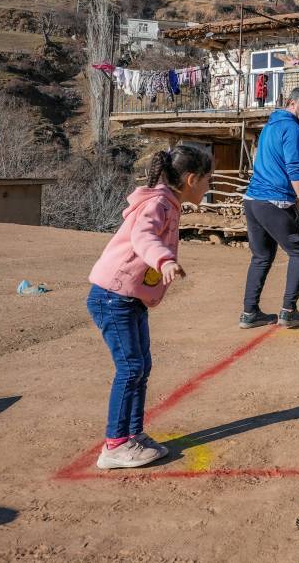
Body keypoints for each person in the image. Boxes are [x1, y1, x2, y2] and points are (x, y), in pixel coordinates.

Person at [87, 145, 213, 469]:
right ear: (191, 179)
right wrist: (164, 260)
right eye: (207, 180)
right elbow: (143, 237)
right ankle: (115, 445)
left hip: (129, 298)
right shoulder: (158, 203)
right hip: (113, 297)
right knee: (131, 368)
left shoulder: (168, 203)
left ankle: (133, 435)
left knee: (141, 367)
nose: (208, 187)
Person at [239, 86, 299, 329]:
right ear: (292, 104)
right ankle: (289, 311)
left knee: (261, 256)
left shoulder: (270, 125)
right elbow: (294, 169)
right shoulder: (292, 128)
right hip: (275, 201)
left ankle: (249, 313)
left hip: (253, 200)